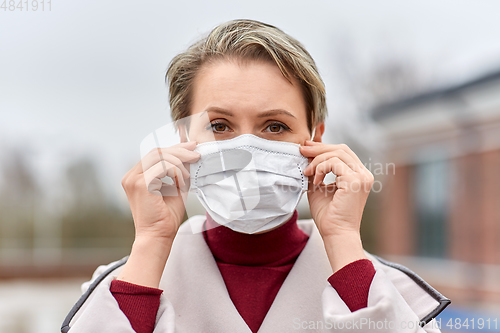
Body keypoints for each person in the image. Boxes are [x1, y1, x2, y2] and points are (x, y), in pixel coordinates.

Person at [61, 19, 450, 333]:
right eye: (219, 125)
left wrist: (344, 240)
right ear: (182, 139)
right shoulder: (125, 285)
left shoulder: (384, 290)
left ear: (315, 138)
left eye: (275, 126)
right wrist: (150, 242)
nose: (245, 150)